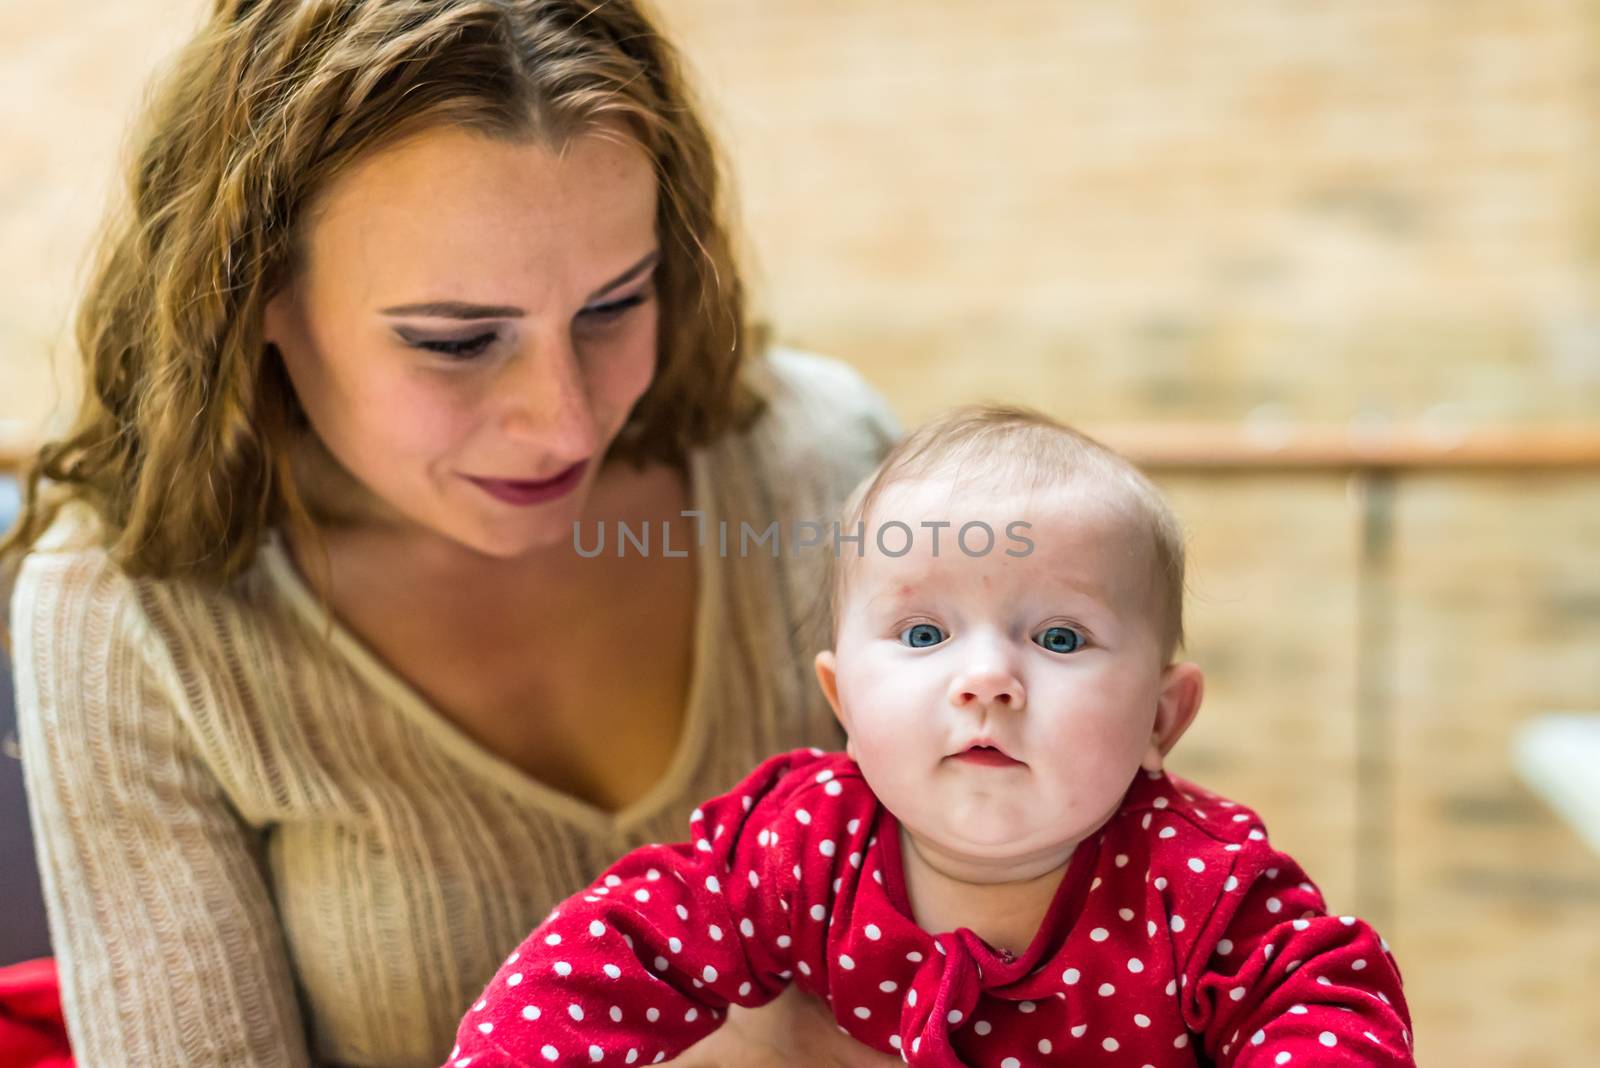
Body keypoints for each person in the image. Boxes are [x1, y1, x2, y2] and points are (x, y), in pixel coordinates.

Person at [1, 2, 905, 1065]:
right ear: (252, 300)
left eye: (615, 305)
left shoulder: (823, 459)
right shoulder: (125, 613)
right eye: (458, 340)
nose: (566, 422)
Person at [443, 405, 1417, 1067]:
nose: (985, 677)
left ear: (1162, 716)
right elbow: (624, 947)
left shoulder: (1200, 886)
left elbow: (1327, 1005)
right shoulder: (810, 840)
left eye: (1060, 636)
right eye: (921, 634)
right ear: (842, 700)